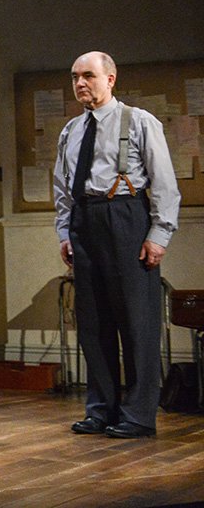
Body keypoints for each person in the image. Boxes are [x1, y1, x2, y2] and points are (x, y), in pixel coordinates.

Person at [53, 51, 180, 439]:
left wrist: (158, 235)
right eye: (75, 76)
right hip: (86, 222)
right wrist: (64, 232)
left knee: (137, 322)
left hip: (126, 217)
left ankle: (139, 414)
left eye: (88, 75)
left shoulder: (139, 122)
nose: (80, 83)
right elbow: (61, 188)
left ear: (110, 79)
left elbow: (164, 184)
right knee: (93, 324)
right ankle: (101, 409)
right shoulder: (71, 131)